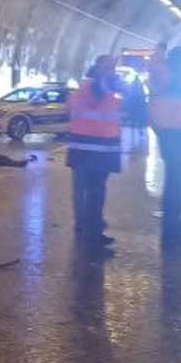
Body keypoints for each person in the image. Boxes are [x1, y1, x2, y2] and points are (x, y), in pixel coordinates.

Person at [66, 55, 125, 252]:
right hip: (98, 149)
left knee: (84, 190)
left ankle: (85, 225)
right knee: (95, 192)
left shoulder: (83, 88)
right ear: (100, 68)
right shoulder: (102, 88)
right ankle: (93, 234)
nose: (113, 71)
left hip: (82, 148)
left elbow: (71, 111)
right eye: (110, 67)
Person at [147, 47, 181, 249]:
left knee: (177, 185)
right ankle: (172, 233)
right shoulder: (170, 80)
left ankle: (173, 231)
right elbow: (172, 108)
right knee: (175, 186)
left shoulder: (172, 80)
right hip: (173, 138)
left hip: (175, 137)